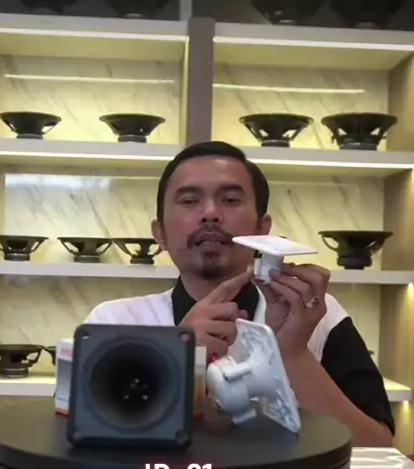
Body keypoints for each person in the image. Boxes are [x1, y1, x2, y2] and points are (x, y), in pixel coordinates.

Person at [84, 141, 395, 447]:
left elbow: (378, 447)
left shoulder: (314, 315)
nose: (210, 213)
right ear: (160, 233)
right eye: (189, 201)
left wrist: (293, 354)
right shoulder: (114, 322)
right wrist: (175, 357)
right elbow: (86, 447)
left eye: (230, 200)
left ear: (263, 229)